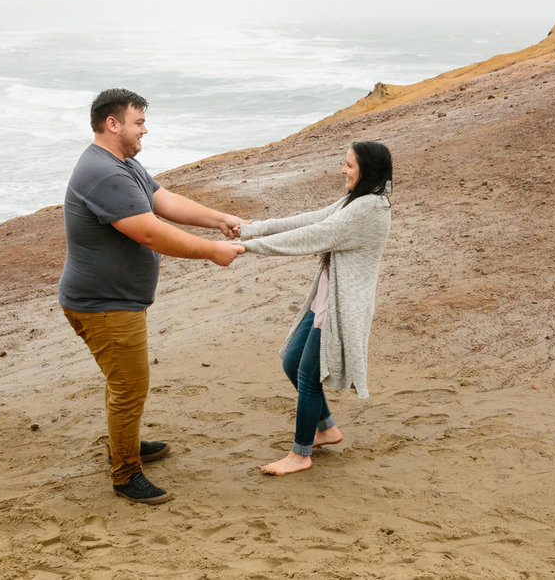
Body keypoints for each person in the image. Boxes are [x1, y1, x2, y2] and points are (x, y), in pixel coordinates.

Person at [59, 88, 246, 504]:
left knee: (123, 382)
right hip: (104, 305)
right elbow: (148, 231)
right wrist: (213, 252)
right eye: (138, 122)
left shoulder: (122, 163)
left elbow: (165, 202)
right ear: (113, 124)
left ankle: (123, 441)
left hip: (110, 300)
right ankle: (125, 474)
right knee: (129, 385)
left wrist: (220, 220)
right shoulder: (104, 172)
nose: (145, 129)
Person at [238, 141, 392, 475]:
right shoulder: (357, 200)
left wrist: (249, 246)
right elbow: (311, 219)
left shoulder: (367, 210)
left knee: (308, 375)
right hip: (325, 296)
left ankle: (301, 454)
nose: (343, 170)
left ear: (367, 170)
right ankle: (326, 429)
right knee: (293, 362)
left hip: (340, 305)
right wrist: (252, 229)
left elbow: (313, 235)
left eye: (349, 165)